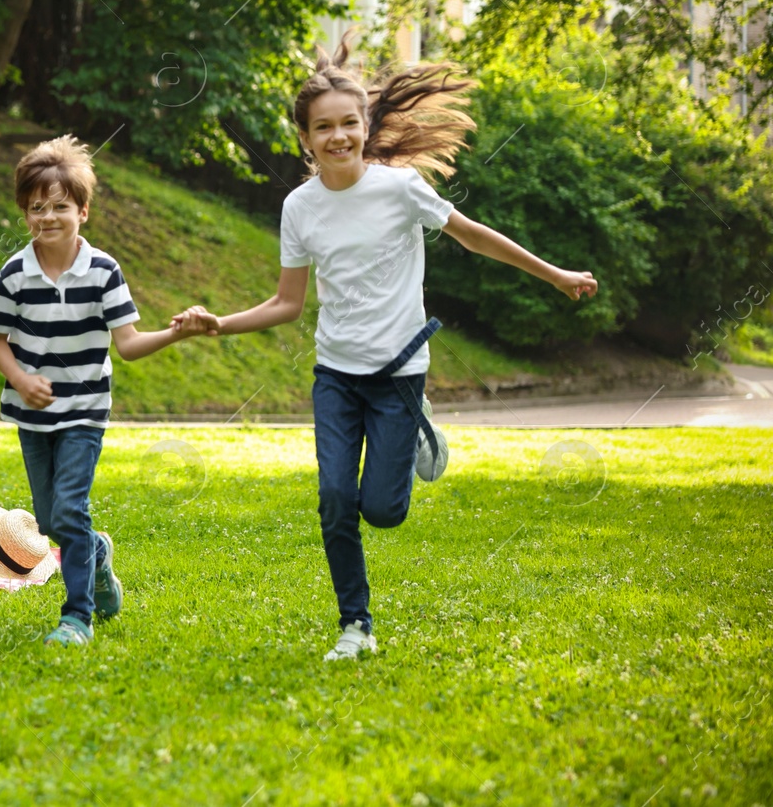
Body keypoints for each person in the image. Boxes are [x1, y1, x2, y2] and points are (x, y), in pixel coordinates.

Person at [173, 38, 598, 661]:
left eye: (349, 123)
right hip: (337, 376)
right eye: (324, 128)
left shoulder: (400, 189)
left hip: (401, 373)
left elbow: (474, 238)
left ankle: (423, 432)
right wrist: (220, 323)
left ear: (365, 126)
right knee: (336, 499)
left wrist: (556, 274)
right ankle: (356, 625)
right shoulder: (299, 207)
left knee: (384, 511)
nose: (338, 136)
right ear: (305, 140)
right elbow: (288, 302)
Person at [0, 136, 209, 646]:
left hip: (85, 411)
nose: (49, 216)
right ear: (24, 213)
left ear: (82, 210)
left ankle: (76, 617)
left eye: (60, 205)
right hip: (31, 415)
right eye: (37, 207)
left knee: (69, 510)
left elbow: (127, 345)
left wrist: (178, 332)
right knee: (49, 520)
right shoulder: (14, 274)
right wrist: (19, 378)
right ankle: (96, 554)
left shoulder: (104, 271)